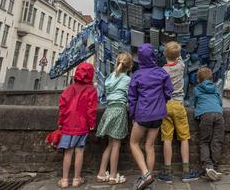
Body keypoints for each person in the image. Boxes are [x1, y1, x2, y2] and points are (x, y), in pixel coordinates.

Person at [128, 43, 173, 190]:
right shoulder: (162, 72)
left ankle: (146, 174)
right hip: (158, 115)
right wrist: (161, 102)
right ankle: (150, 181)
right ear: (154, 56)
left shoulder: (137, 75)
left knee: (134, 143)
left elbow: (132, 98)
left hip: (143, 114)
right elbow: (169, 91)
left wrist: (133, 115)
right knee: (150, 146)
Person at [157, 42, 199, 183]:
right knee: (184, 137)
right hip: (179, 105)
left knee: (167, 139)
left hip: (166, 105)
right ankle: (186, 171)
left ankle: (167, 172)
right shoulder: (181, 66)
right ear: (178, 55)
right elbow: (180, 58)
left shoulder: (162, 71)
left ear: (164, 55)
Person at [57, 62, 98, 188]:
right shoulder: (91, 90)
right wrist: (91, 123)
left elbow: (62, 107)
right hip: (82, 124)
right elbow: (91, 109)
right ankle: (76, 179)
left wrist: (60, 122)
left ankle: (64, 180)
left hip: (68, 123)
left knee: (68, 152)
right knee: (79, 151)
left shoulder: (69, 89)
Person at [96, 52, 133, 185]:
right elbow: (130, 98)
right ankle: (112, 176)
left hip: (109, 110)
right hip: (119, 110)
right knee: (116, 145)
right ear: (130, 66)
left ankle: (101, 173)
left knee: (110, 144)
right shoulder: (127, 80)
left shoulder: (109, 78)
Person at [194, 67, 224, 182]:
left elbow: (196, 103)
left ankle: (208, 167)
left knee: (204, 141)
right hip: (218, 115)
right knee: (216, 141)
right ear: (211, 78)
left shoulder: (197, 89)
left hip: (205, 115)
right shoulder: (216, 88)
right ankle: (215, 167)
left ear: (198, 79)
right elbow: (220, 102)